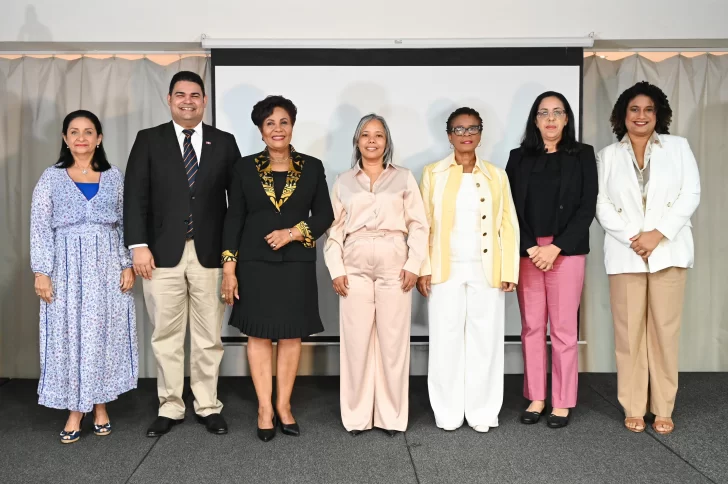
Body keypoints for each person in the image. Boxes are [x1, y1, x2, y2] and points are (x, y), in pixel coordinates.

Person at [124, 71, 241, 437]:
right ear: (169, 99)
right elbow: (134, 196)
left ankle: (207, 405)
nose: (188, 101)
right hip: (159, 256)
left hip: (210, 254)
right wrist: (138, 246)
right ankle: (170, 406)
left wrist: (230, 256)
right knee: (166, 335)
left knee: (209, 336)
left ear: (204, 101)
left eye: (195, 95)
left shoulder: (224, 142)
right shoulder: (149, 140)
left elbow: (236, 204)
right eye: (180, 95)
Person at [221, 95, 334, 442]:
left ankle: (284, 406)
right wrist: (229, 268)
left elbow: (325, 216)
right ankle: (264, 408)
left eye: (283, 122)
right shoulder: (243, 168)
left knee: (290, 335)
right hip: (254, 264)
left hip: (296, 264)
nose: (277, 129)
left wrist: (293, 233)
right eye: (269, 123)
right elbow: (234, 218)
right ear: (260, 130)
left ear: (292, 125)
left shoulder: (312, 166)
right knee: (257, 334)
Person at [595, 81, 700, 435]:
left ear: (659, 115)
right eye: (634, 109)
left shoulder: (678, 147)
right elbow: (601, 204)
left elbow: (691, 193)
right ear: (623, 115)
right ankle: (634, 406)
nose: (641, 116)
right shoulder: (608, 155)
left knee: (665, 332)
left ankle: (663, 407)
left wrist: (659, 234)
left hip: (668, 251)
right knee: (629, 335)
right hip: (626, 254)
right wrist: (633, 239)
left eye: (648, 110)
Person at [31, 110, 137, 443]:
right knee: (70, 336)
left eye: (88, 131)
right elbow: (39, 226)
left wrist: (127, 263)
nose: (81, 137)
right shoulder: (51, 177)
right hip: (65, 267)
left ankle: (101, 405)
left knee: (103, 335)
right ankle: (76, 410)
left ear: (99, 138)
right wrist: (41, 272)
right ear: (65, 138)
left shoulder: (115, 176)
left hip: (107, 266)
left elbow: (124, 223)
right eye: (74, 132)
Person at [324, 114, 428, 437]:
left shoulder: (404, 178)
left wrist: (414, 264)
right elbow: (333, 231)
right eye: (365, 135)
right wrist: (336, 269)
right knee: (355, 342)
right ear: (357, 141)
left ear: (387, 142)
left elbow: (419, 225)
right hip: (353, 267)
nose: (372, 140)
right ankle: (356, 417)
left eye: (378, 135)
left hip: (394, 265)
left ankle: (391, 416)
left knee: (393, 342)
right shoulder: (342, 181)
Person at [417, 107, 519, 433]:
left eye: (472, 128)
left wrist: (509, 270)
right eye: (459, 129)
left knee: (485, 342)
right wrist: (422, 268)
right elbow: (423, 226)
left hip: (486, 270)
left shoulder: (496, 175)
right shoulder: (432, 173)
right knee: (445, 342)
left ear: (480, 133)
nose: (466, 134)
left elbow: (508, 225)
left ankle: (483, 412)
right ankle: (447, 413)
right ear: (449, 136)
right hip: (444, 270)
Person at [505, 92, 597, 428]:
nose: (551, 118)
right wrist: (531, 247)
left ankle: (561, 401)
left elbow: (588, 206)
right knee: (531, 327)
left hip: (566, 252)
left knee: (562, 329)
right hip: (528, 253)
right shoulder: (518, 158)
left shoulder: (583, 155)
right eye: (543, 113)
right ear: (534, 120)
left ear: (567, 118)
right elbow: (510, 208)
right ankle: (536, 396)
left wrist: (556, 247)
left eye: (558, 112)